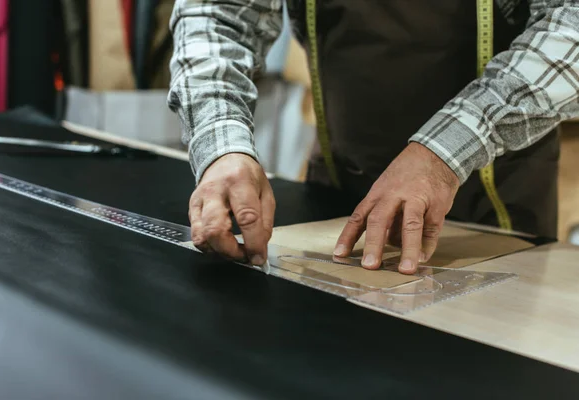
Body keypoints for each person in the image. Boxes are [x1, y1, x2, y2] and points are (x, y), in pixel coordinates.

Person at [167, 0, 579, 275]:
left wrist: (444, 153)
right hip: (335, 194)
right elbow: (218, 13)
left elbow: (571, 26)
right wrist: (222, 147)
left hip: (494, 209)